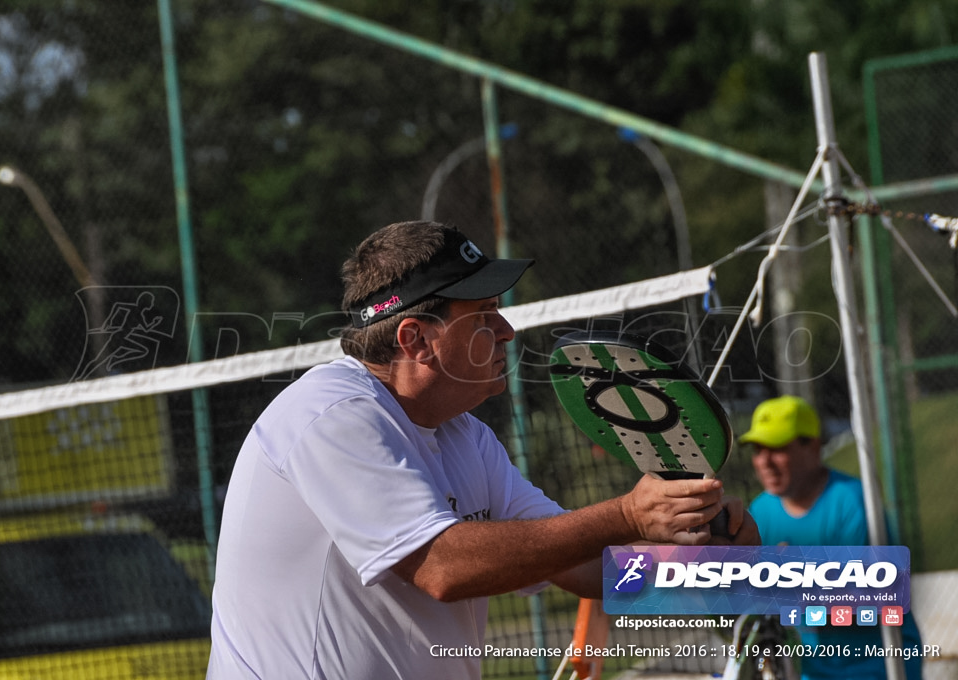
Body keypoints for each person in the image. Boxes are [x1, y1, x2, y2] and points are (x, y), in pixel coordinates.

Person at [207, 220, 758, 680]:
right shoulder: (330, 415)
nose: (507, 330)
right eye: (484, 313)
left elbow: (587, 567)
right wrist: (626, 514)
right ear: (415, 339)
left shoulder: (463, 434)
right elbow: (443, 568)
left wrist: (717, 564)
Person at [743, 394, 922, 680]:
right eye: (757, 449)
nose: (764, 461)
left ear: (813, 446)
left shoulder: (854, 503)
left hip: (879, 665)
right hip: (813, 670)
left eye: (777, 448)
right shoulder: (759, 511)